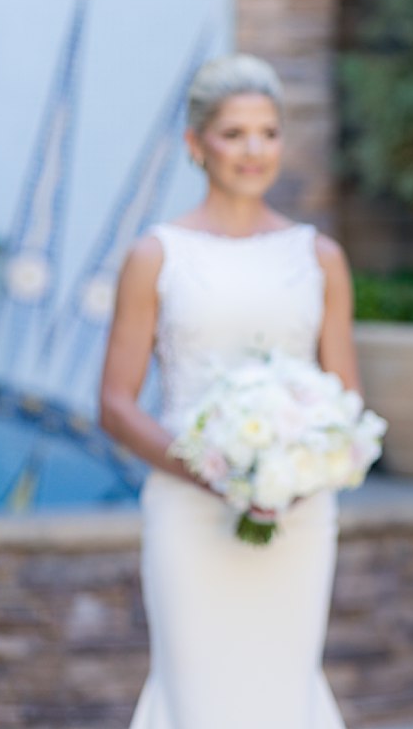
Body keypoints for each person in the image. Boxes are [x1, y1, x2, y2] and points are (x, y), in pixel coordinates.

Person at [99, 54, 355, 729]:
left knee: (283, 689)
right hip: (189, 513)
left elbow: (347, 403)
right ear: (196, 145)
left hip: (298, 518)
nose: (253, 149)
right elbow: (116, 405)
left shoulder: (319, 257)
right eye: (234, 133)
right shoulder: (156, 255)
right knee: (198, 695)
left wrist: (294, 475)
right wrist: (216, 475)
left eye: (268, 132)